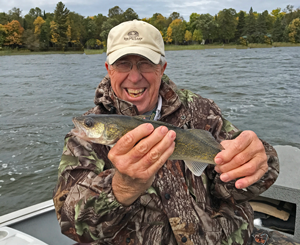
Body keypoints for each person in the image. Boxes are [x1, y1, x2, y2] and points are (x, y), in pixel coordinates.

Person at [53, 20, 294, 245]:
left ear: (162, 67)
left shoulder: (202, 111)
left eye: (146, 63)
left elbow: (236, 186)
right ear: (109, 69)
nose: (135, 77)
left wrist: (259, 160)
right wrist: (121, 188)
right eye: (123, 64)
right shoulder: (81, 141)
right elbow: (71, 222)